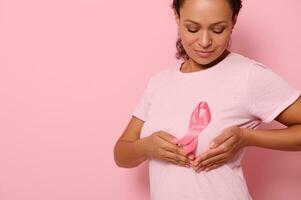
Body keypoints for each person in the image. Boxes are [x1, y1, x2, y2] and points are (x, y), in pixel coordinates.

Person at [114, 0, 301, 199]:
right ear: (177, 18)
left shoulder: (248, 76)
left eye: (218, 29)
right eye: (192, 28)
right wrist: (147, 147)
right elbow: (121, 154)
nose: (204, 41)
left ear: (233, 21)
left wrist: (247, 137)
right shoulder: (160, 82)